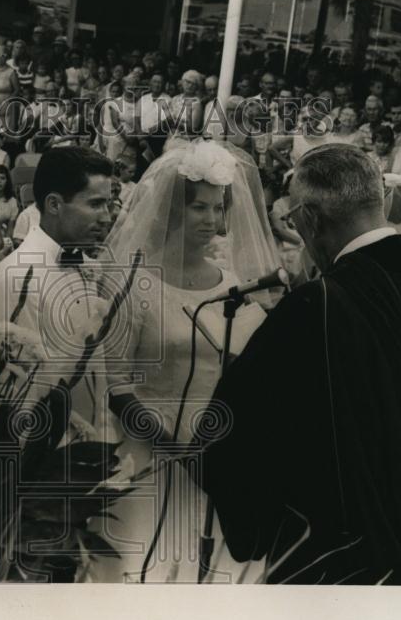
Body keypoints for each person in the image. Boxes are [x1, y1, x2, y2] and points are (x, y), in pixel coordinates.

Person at [200, 143, 401, 584]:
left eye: (294, 222)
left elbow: (230, 429)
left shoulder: (318, 304)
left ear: (312, 219)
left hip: (349, 559)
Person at [85, 140, 271, 584]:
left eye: (217, 209)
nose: (212, 221)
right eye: (199, 209)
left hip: (216, 456)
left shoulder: (233, 287)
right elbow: (115, 383)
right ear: (172, 211)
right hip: (148, 450)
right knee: (140, 569)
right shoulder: (138, 283)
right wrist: (174, 448)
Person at [0, 146, 115, 498]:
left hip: (84, 457)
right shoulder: (20, 275)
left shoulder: (84, 263)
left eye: (109, 204)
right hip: (43, 473)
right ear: (55, 204)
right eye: (95, 204)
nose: (107, 217)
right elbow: (16, 395)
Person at [0, 163, 19, 245]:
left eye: (2, 178)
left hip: (4, 235)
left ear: (7, 181)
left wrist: (6, 242)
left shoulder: (12, 201)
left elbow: (11, 226)